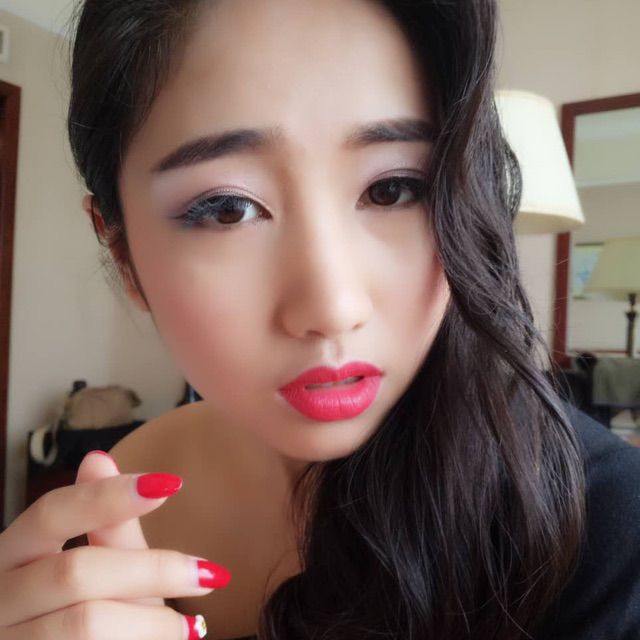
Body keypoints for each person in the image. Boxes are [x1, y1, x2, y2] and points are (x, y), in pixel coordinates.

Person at [1, 0, 639, 639]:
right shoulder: (134, 487)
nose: (333, 308)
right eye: (226, 209)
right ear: (123, 254)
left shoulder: (606, 528)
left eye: (393, 189)